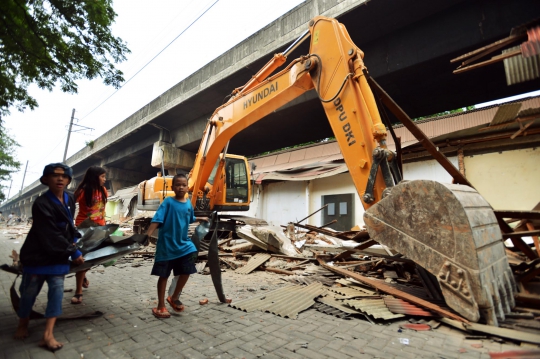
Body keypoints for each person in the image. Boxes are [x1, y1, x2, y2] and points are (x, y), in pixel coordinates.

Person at [15, 163, 84, 351]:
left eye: (64, 176)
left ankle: (48, 334)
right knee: (28, 294)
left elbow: (68, 223)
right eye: (54, 176)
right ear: (46, 180)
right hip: (38, 256)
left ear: (69, 180)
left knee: (56, 293)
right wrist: (75, 252)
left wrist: (75, 238)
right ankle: (23, 323)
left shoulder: (69, 198)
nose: (60, 179)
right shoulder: (41, 204)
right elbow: (50, 233)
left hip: (58, 257)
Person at [146, 174, 206, 318]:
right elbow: (157, 219)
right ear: (173, 187)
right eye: (178, 184)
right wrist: (147, 235)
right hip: (166, 246)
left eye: (183, 185)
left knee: (187, 269)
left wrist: (199, 218)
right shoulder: (167, 202)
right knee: (164, 276)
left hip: (182, 244)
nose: (181, 187)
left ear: (187, 187)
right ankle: (161, 305)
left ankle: (173, 297)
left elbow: (189, 217)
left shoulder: (188, 203)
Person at [71, 166, 107, 304]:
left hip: (99, 228)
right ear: (94, 176)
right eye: (102, 176)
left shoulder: (103, 190)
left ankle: (83, 275)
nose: (105, 179)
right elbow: (70, 205)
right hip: (83, 228)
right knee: (83, 258)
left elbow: (102, 210)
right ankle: (78, 292)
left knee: (94, 258)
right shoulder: (82, 191)